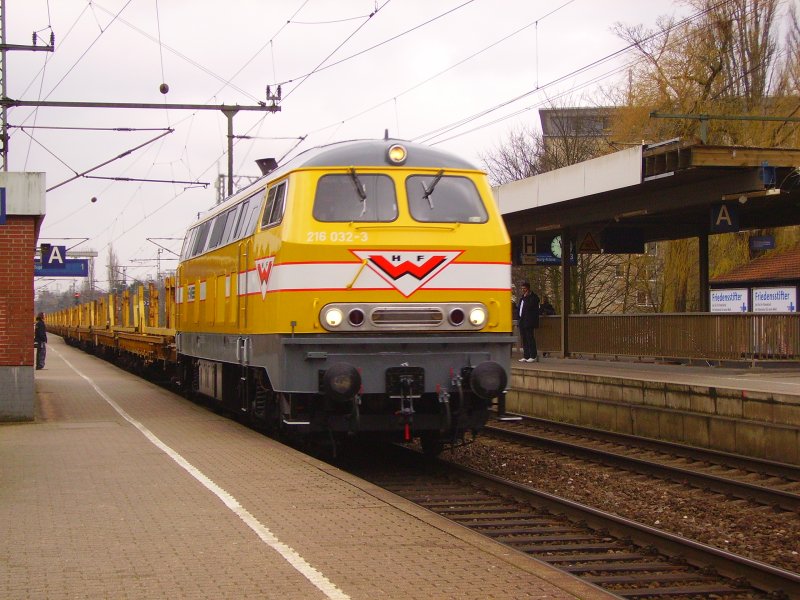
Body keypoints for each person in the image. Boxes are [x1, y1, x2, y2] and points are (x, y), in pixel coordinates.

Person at [517, 281, 540, 362]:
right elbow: (520, 308)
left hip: (529, 321)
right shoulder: (522, 298)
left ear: (528, 289)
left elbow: (529, 306)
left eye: (524, 288)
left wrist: (526, 298)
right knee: (524, 339)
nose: (523, 290)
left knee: (530, 338)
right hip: (522, 321)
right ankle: (526, 356)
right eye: (522, 288)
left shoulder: (534, 297)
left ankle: (533, 356)